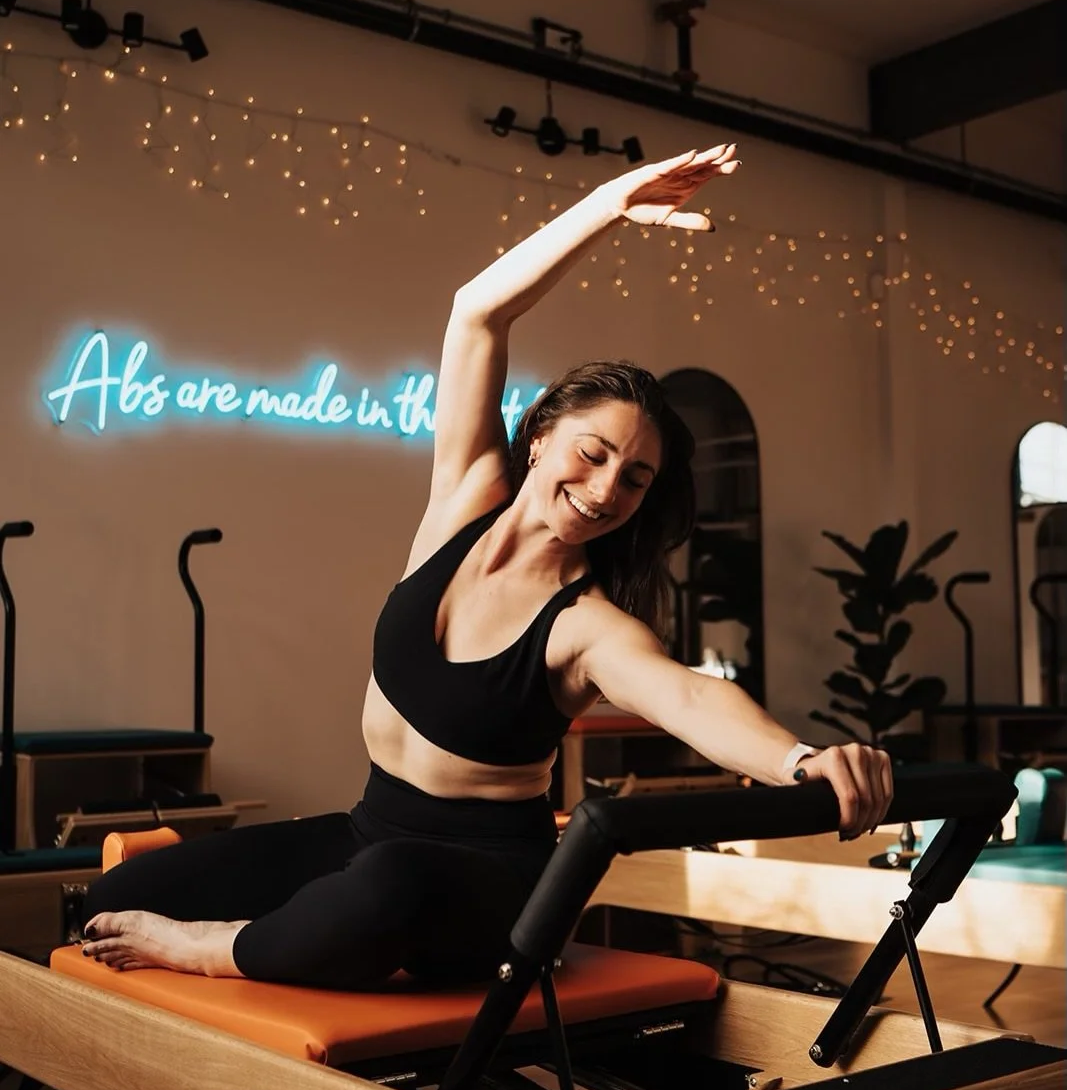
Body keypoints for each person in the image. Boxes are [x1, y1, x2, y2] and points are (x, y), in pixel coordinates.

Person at [82, 144, 893, 986]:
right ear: (541, 436)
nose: (606, 486)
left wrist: (801, 762)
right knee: (122, 889)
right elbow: (475, 313)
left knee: (381, 891)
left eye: (635, 478)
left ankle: (208, 950)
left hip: (486, 886)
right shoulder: (460, 502)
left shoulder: (583, 627)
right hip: (369, 832)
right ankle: (274, 932)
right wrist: (610, 205)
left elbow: (688, 694)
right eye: (593, 451)